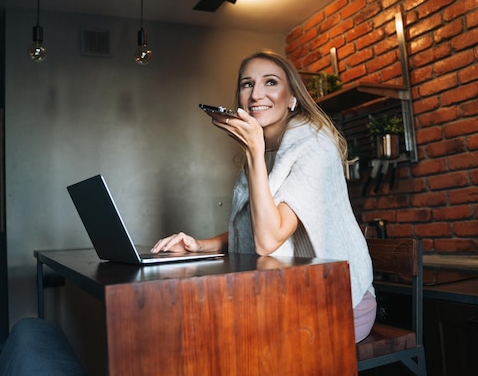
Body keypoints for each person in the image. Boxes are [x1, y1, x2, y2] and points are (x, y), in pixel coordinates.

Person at [152, 50, 376, 342]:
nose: (257, 93)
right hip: (285, 296)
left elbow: (269, 240)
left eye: (270, 82)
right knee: (196, 329)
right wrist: (197, 245)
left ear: (292, 97)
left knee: (224, 340)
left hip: (339, 301)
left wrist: (254, 151)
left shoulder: (315, 145)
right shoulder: (263, 152)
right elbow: (254, 225)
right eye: (247, 84)